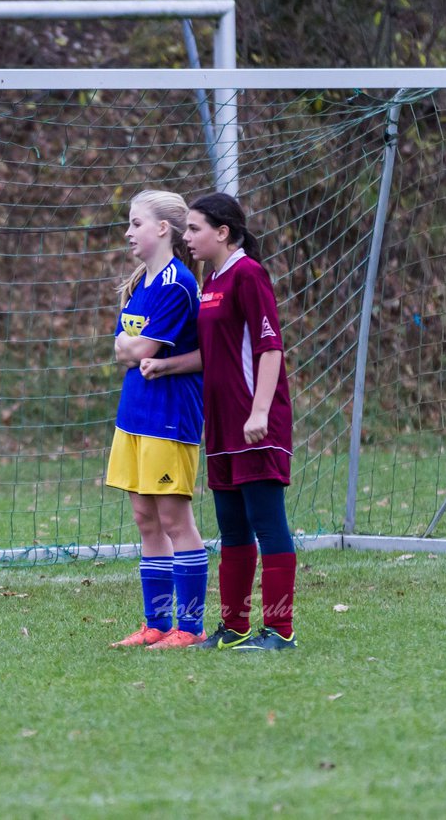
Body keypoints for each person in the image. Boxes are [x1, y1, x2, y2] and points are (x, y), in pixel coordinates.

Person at [141, 192, 297, 650]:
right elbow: (213, 355)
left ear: (223, 232)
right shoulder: (211, 280)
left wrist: (262, 412)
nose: (186, 238)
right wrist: (165, 366)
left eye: (194, 229)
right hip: (222, 425)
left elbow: (270, 348)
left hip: (255, 424)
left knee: (268, 525)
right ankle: (234, 628)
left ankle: (281, 630)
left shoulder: (249, 274)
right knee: (231, 528)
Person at [107, 190, 210, 649]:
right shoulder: (141, 284)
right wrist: (132, 348)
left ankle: (190, 627)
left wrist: (134, 348)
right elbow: (120, 349)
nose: (128, 233)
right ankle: (157, 623)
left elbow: (140, 350)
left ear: (162, 229)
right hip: (134, 414)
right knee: (144, 516)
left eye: (135, 224)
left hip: (169, 415)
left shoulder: (176, 284)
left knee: (174, 518)